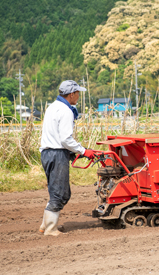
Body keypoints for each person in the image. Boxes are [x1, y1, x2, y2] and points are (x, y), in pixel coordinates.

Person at [38, 80, 94, 236]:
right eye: (77, 93)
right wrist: (84, 151)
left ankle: (45, 225)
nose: (78, 96)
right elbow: (65, 139)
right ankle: (50, 229)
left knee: (57, 191)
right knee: (60, 193)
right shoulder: (66, 111)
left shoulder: (53, 107)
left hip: (47, 153)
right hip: (57, 154)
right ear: (71, 94)